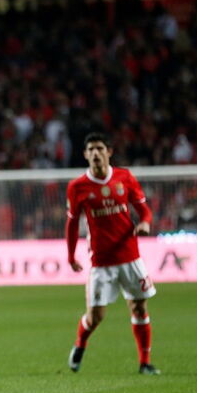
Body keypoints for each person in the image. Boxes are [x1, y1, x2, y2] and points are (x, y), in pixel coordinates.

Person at [65, 132, 159, 375]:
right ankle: (80, 344)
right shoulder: (77, 187)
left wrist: (145, 223)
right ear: (85, 155)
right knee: (95, 317)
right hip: (102, 261)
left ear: (109, 151)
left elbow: (144, 211)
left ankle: (145, 363)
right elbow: (72, 224)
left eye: (100, 148)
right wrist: (70, 255)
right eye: (91, 149)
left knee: (139, 307)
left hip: (130, 257)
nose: (96, 153)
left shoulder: (124, 177)